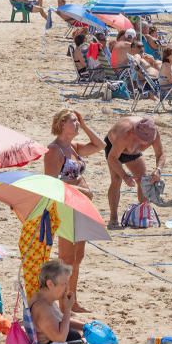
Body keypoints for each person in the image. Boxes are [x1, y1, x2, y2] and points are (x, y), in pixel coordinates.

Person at [29, 260, 139, 344]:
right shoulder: (43, 308)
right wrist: (68, 309)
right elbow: (59, 338)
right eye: (64, 284)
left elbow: (60, 321)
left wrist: (86, 326)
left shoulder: (44, 299)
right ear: (50, 284)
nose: (67, 288)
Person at [43, 110, 104, 313]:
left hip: (81, 206)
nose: (77, 124)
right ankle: (63, 301)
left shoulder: (74, 148)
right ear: (61, 124)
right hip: (66, 206)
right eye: (74, 121)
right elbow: (51, 184)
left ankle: (72, 299)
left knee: (78, 256)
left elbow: (100, 145)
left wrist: (85, 125)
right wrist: (81, 190)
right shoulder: (54, 150)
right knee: (67, 257)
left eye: (78, 121)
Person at [105, 117, 165, 227]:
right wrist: (125, 176)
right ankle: (113, 218)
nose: (143, 143)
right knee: (116, 180)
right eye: (141, 139)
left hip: (132, 153)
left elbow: (160, 154)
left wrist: (158, 170)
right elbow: (112, 158)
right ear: (135, 131)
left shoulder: (154, 134)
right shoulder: (125, 133)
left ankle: (143, 213)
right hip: (114, 149)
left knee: (143, 179)